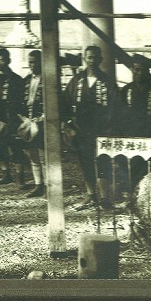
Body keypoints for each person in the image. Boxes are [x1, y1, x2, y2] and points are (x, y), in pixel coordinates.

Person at [63, 44, 116, 209]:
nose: (92, 61)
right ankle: (91, 195)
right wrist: (68, 124)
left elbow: (116, 106)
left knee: (103, 162)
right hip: (81, 129)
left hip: (102, 129)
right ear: (84, 59)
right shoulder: (77, 80)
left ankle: (105, 198)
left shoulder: (107, 81)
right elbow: (64, 103)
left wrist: (112, 128)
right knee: (85, 161)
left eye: (95, 57)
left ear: (100, 59)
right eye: (89, 57)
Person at [115, 54, 151, 189]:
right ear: (133, 71)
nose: (139, 73)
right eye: (136, 70)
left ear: (147, 72)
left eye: (142, 70)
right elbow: (117, 115)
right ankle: (130, 195)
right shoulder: (125, 91)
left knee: (150, 172)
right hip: (130, 138)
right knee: (129, 170)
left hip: (150, 137)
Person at [0, 47, 27, 186]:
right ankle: (6, 173)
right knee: (0, 146)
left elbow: (21, 101)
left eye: (2, 60)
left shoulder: (16, 79)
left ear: (8, 61)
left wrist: (16, 119)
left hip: (12, 118)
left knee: (16, 147)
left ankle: (20, 176)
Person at [18, 49, 46, 198]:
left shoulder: (49, 80)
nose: (32, 65)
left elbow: (55, 104)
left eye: (35, 62)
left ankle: (48, 186)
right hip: (28, 122)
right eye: (30, 62)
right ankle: (38, 185)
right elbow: (18, 102)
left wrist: (42, 118)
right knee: (32, 155)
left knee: (43, 156)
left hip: (42, 122)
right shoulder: (26, 80)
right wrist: (23, 119)